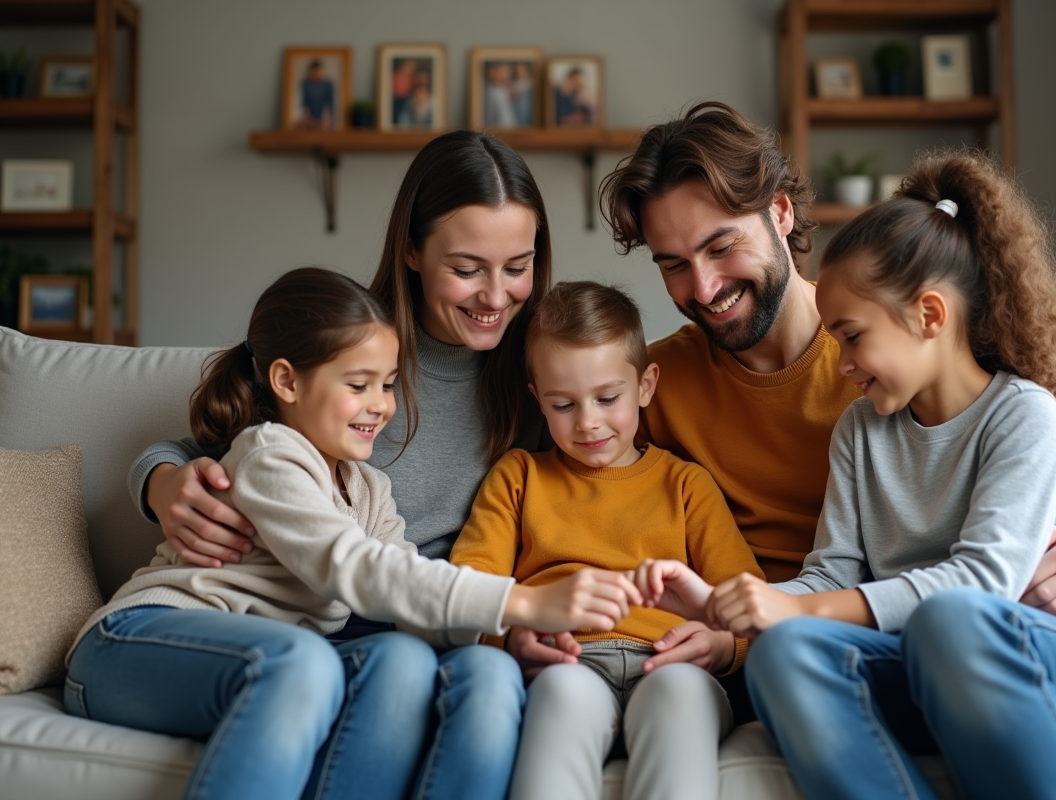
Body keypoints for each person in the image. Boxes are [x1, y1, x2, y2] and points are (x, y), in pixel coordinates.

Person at [500, 101, 1056, 686]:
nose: (701, 288)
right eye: (672, 264)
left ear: (780, 214)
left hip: (906, 627)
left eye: (720, 246)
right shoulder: (653, 387)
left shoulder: (906, 357)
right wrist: (525, 617)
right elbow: (570, 495)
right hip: (774, 644)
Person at [634, 151, 1056, 800]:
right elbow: (833, 569)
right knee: (784, 653)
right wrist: (728, 609)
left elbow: (988, 580)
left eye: (850, 338)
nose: (840, 360)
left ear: (930, 316)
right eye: (673, 264)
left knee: (952, 620)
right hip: (915, 653)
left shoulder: (1022, 411)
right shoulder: (860, 426)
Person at [67, 267, 641, 800]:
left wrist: (506, 637)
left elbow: (411, 599)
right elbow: (355, 568)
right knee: (301, 662)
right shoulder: (271, 455)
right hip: (135, 644)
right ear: (288, 381)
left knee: (413, 660)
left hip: (283, 658)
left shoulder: (369, 489)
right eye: (359, 384)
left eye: (388, 385)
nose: (381, 406)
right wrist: (522, 599)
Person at [127, 131, 558, 798]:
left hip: (425, 623)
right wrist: (160, 484)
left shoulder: (542, 374)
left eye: (518, 266)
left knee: (491, 679)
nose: (496, 297)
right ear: (412, 250)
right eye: (468, 268)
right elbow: (222, 437)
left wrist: (514, 621)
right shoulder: (353, 342)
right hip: (312, 622)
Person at [450, 281, 763, 800]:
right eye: (564, 405)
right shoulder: (519, 476)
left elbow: (745, 597)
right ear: (538, 400)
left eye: (608, 398)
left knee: (680, 699)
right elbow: (470, 586)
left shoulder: (685, 485)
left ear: (645, 385)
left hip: (672, 661)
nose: (589, 422)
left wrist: (726, 645)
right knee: (563, 703)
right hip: (569, 662)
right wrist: (511, 636)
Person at [298, 59, 334, 131]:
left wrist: (327, 116)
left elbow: (330, 102)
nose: (316, 74)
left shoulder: (328, 85)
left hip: (324, 118)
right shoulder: (306, 85)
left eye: (318, 72)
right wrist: (305, 116)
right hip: (309, 118)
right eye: (314, 72)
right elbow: (303, 102)